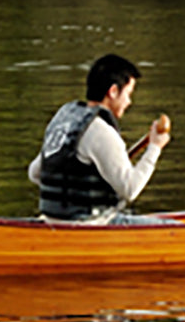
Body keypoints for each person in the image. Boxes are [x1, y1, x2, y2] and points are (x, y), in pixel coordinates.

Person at [29, 53, 171, 223]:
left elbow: (35, 173)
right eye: (128, 94)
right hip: (91, 225)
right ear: (113, 91)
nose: (129, 102)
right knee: (174, 228)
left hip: (51, 221)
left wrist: (70, 196)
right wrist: (154, 147)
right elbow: (130, 189)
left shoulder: (64, 122)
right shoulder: (102, 132)